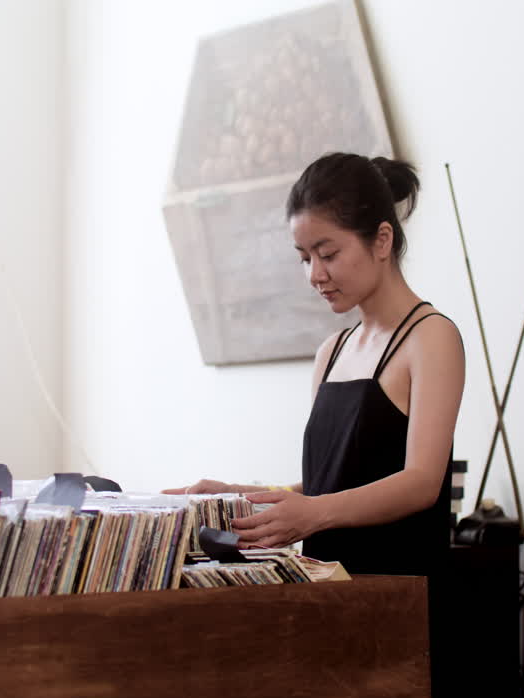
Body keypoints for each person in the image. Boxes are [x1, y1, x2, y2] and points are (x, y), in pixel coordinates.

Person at [166, 152, 465, 577]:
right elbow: (329, 488)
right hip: (327, 589)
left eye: (328, 254)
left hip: (398, 594)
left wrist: (313, 513)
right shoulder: (332, 352)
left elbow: (421, 482)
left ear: (382, 240)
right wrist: (241, 497)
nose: (314, 275)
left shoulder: (431, 337)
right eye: (305, 258)